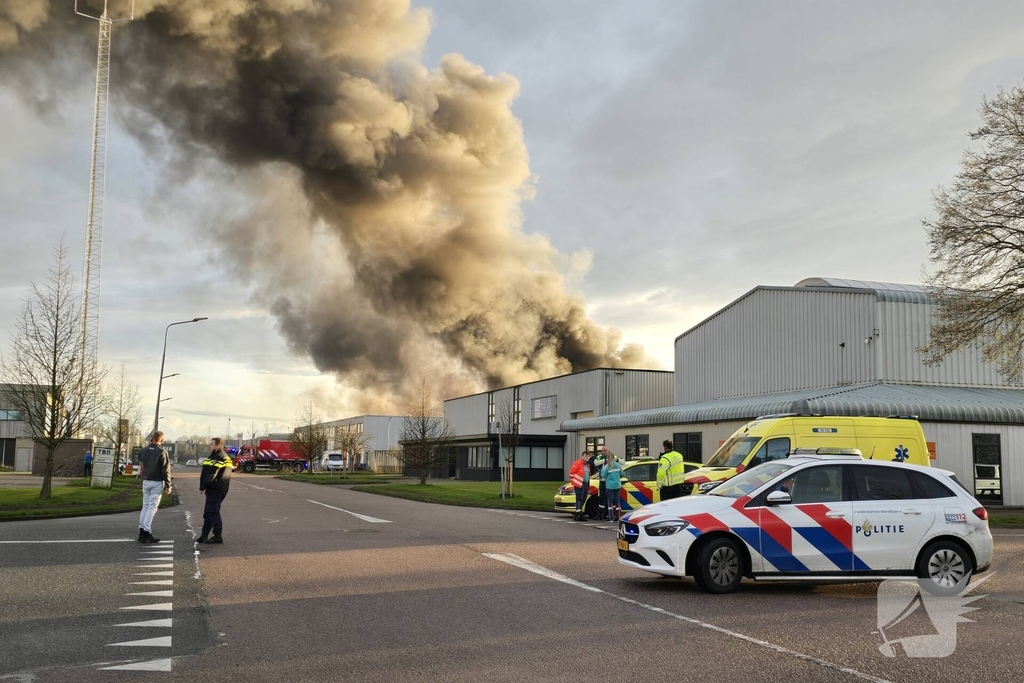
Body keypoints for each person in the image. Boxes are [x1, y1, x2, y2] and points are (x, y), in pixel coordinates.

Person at [138, 431, 172, 543]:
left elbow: (140, 458)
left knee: (145, 506)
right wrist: (168, 485)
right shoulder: (162, 452)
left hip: (146, 480)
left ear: (151, 439)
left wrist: (149, 446)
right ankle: (146, 531)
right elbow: (165, 469)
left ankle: (141, 530)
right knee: (152, 507)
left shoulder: (144, 450)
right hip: (156, 481)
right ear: (161, 440)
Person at [197, 437, 232, 544]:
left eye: (211, 444)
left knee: (212, 511)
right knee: (208, 512)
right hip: (218, 487)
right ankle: (204, 535)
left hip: (216, 488)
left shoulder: (218, 457)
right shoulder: (218, 456)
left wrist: (202, 487)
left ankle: (217, 535)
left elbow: (212, 473)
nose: (209, 446)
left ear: (218, 445)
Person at [569, 451, 591, 521]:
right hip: (579, 484)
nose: (587, 457)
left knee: (583, 498)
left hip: (585, 483)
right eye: (585, 456)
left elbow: (587, 474)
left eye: (588, 456)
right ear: (582, 456)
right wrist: (574, 482)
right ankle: (578, 514)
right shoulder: (577, 463)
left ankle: (578, 512)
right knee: (579, 498)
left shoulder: (587, 465)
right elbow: (571, 473)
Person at [601, 453, 624, 521]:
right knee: (617, 501)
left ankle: (611, 517)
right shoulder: (618, 465)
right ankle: (618, 516)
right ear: (614, 458)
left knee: (610, 501)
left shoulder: (607, 466)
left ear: (608, 459)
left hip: (610, 486)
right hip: (617, 485)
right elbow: (621, 473)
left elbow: (603, 475)